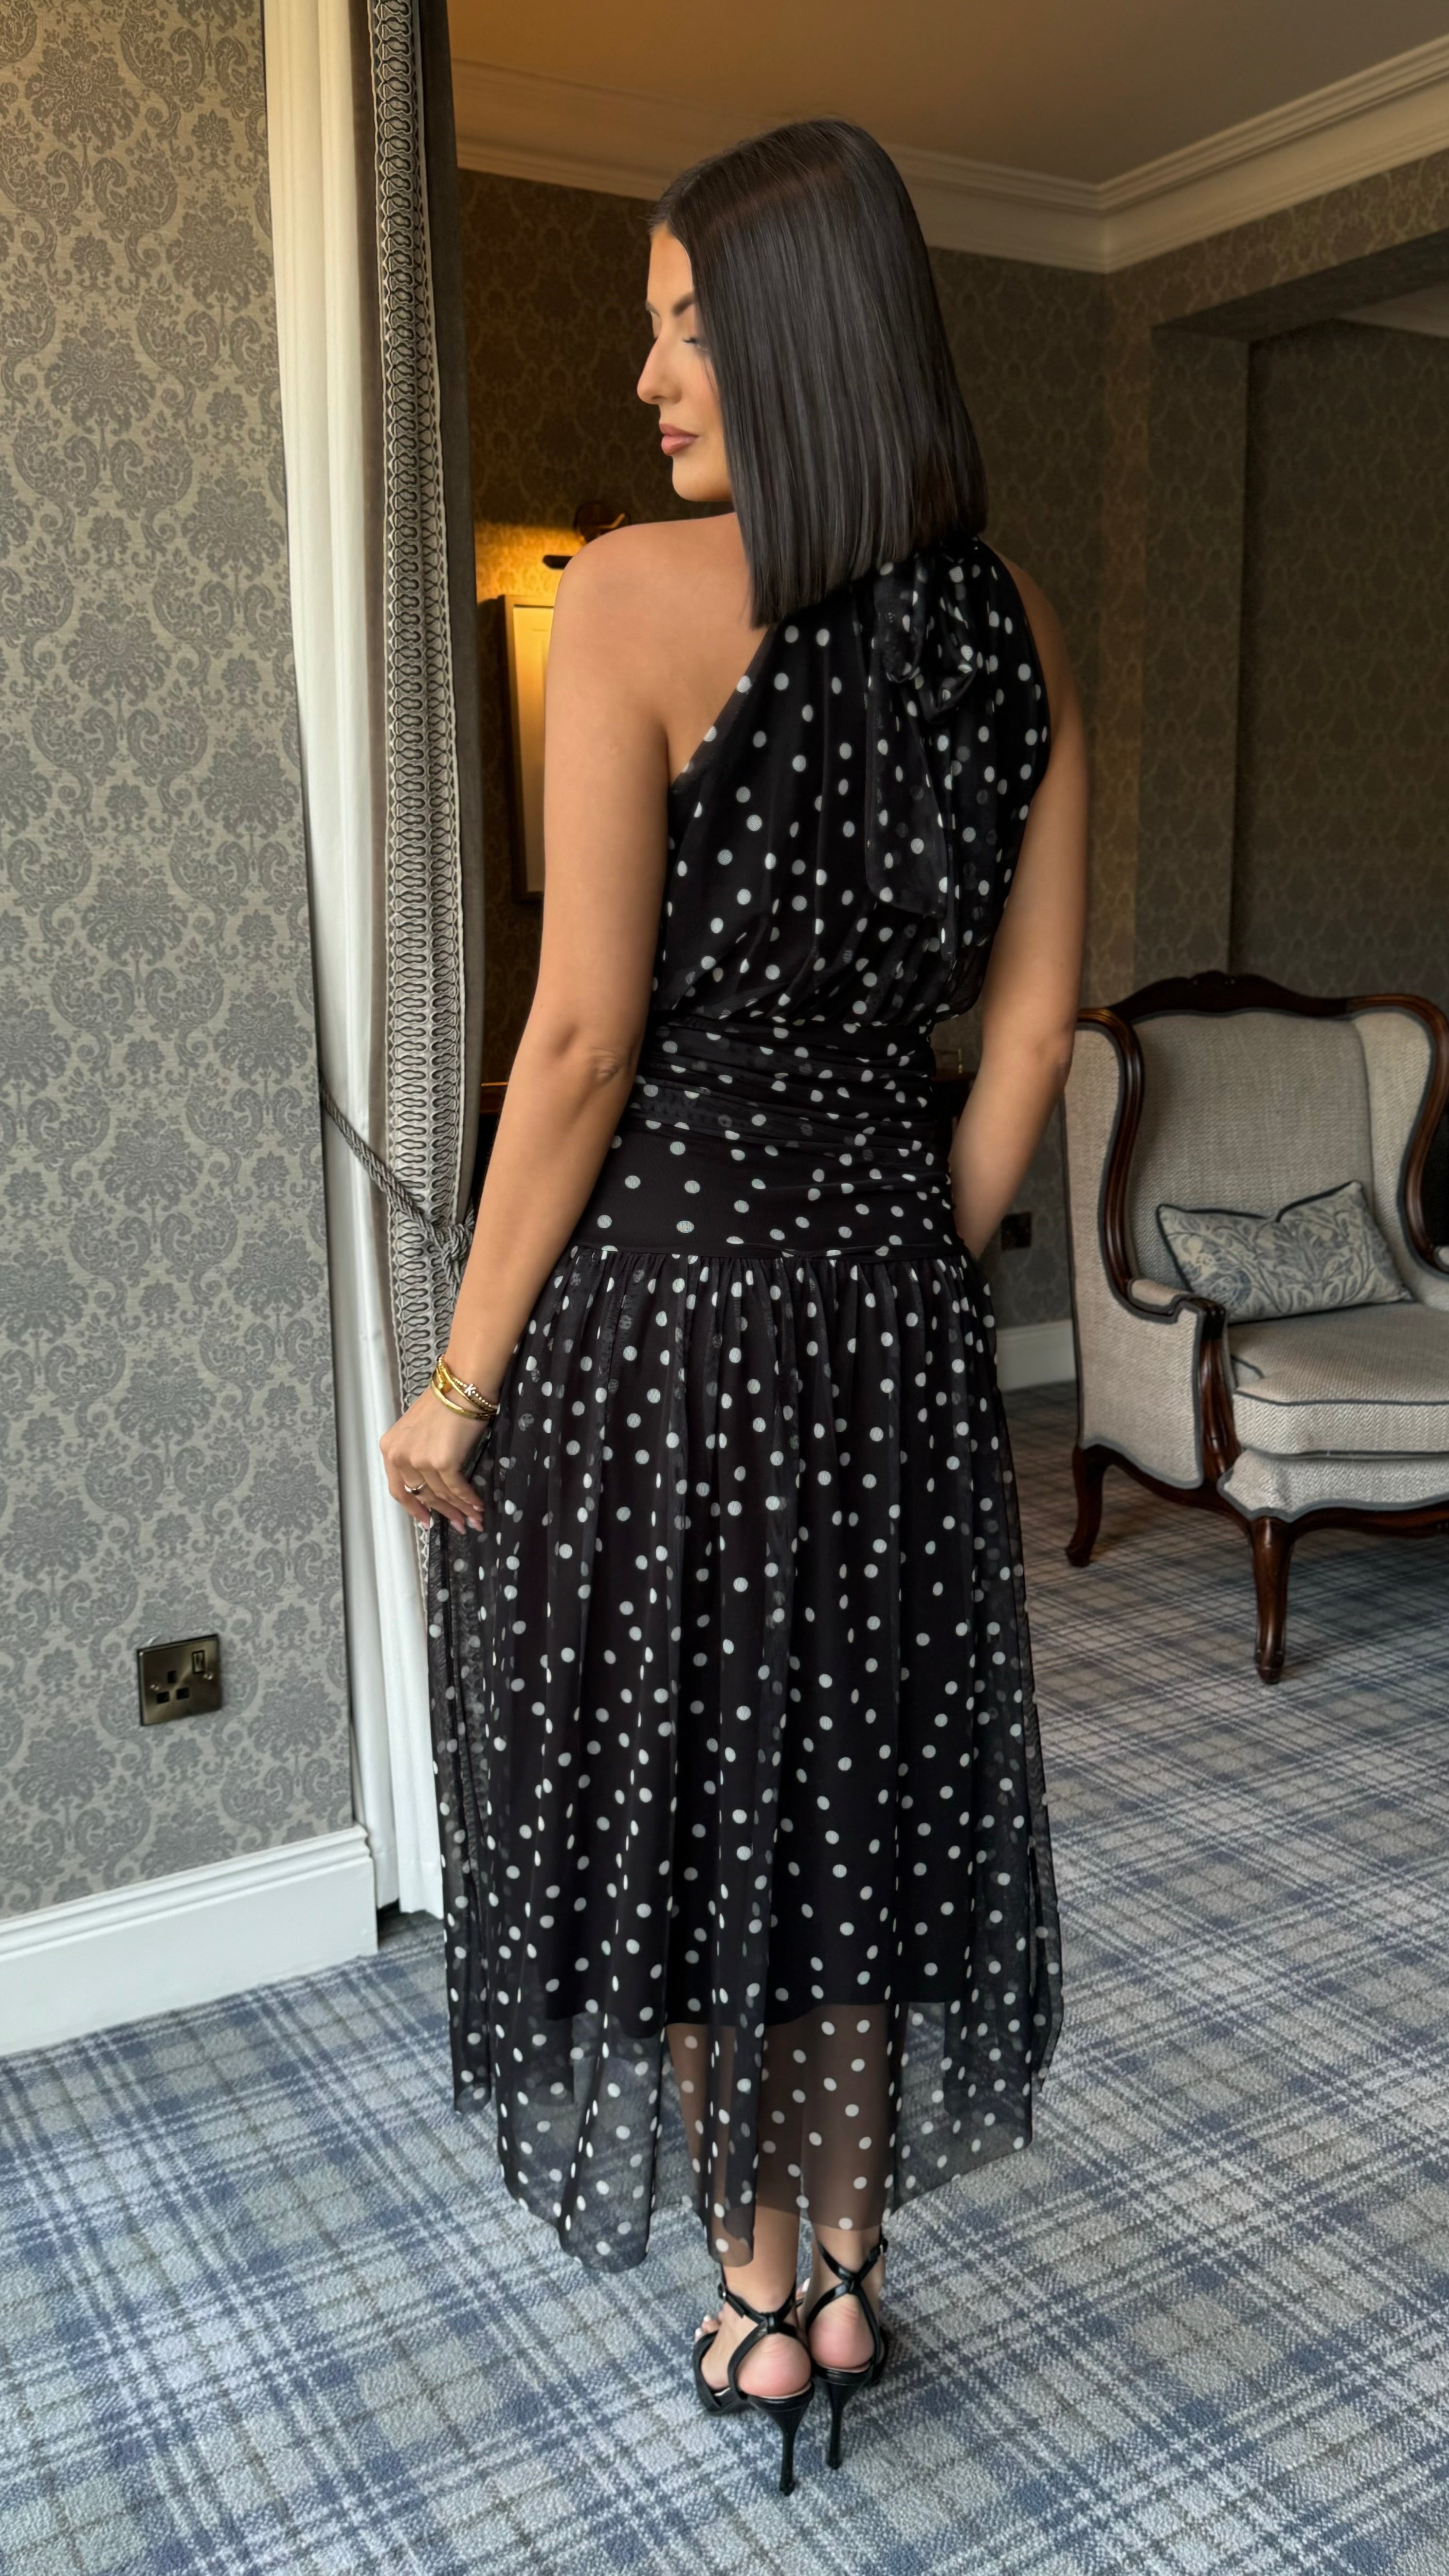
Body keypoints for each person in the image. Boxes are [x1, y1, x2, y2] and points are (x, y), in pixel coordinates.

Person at [381, 117, 1087, 2495]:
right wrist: (908, 1266)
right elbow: (1024, 1043)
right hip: (892, 1328)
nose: (651, 373)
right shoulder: (1017, 627)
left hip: (672, 1332)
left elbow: (581, 1045)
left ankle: (759, 2291)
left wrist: (459, 1379)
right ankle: (852, 2263)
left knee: (688, 1798)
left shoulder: (635, 601)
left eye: (686, 324)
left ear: (796, 335)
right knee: (858, 1791)